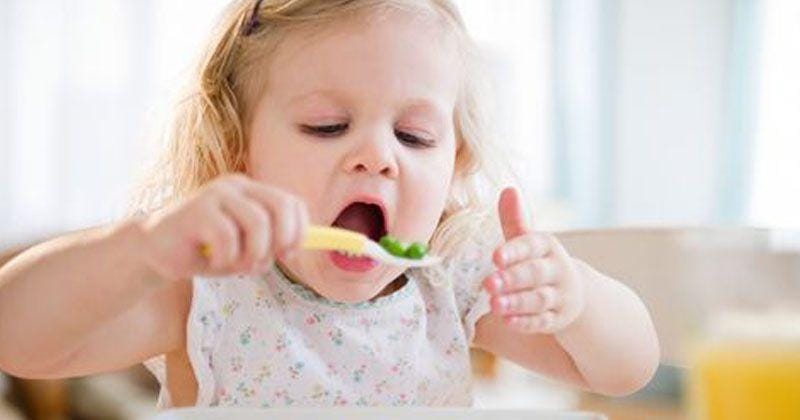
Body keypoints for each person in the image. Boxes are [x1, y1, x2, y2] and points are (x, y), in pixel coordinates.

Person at [0, 0, 659, 408]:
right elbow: (15, 338)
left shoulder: (452, 282)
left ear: (455, 165)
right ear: (237, 150)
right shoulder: (210, 292)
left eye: (414, 136)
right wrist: (142, 250)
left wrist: (575, 298)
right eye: (327, 126)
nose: (377, 156)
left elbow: (627, 370)